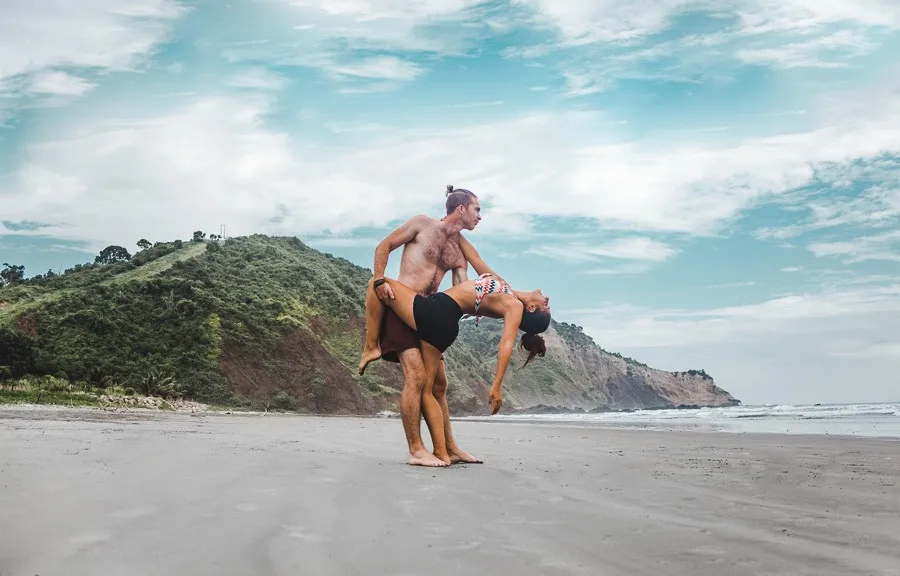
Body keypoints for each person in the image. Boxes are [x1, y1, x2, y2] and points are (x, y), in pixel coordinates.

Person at [361, 185, 498, 468]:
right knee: (417, 377)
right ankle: (416, 449)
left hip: (428, 316)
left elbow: (461, 288)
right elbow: (383, 246)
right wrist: (379, 280)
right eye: (477, 209)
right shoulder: (422, 224)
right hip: (401, 308)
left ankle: (449, 447)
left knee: (439, 385)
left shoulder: (458, 250)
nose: (480, 217)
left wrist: (480, 304)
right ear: (461, 208)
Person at [359, 271, 551, 464]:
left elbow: (506, 344)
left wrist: (496, 385)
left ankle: (370, 347)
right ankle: (447, 450)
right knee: (438, 386)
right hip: (448, 323)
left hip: (439, 313)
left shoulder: (514, 304)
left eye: (546, 304)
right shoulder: (507, 290)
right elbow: (474, 258)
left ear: (532, 308)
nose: (547, 297)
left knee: (376, 283)